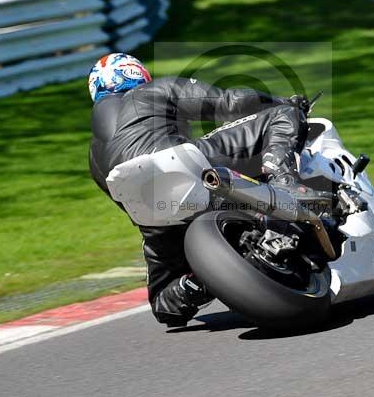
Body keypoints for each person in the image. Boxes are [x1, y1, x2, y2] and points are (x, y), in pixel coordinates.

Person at [88, 52, 313, 327]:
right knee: (282, 115)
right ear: (137, 74)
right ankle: (284, 182)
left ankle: (195, 283)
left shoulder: (93, 154)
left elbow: (120, 198)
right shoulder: (153, 90)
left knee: (163, 302)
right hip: (184, 165)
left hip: (151, 211)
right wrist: (285, 101)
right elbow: (230, 102)